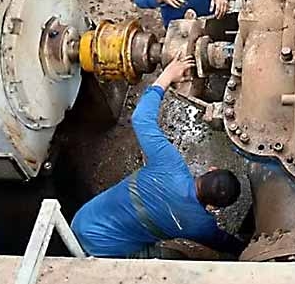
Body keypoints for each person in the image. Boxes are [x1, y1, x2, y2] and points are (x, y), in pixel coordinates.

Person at [72, 54, 245, 258]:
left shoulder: (170, 165)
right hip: (104, 252)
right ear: (214, 207)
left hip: (83, 221)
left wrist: (168, 75)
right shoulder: (199, 225)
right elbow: (223, 242)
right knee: (178, 258)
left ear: (211, 170)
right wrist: (245, 249)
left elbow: (141, 118)